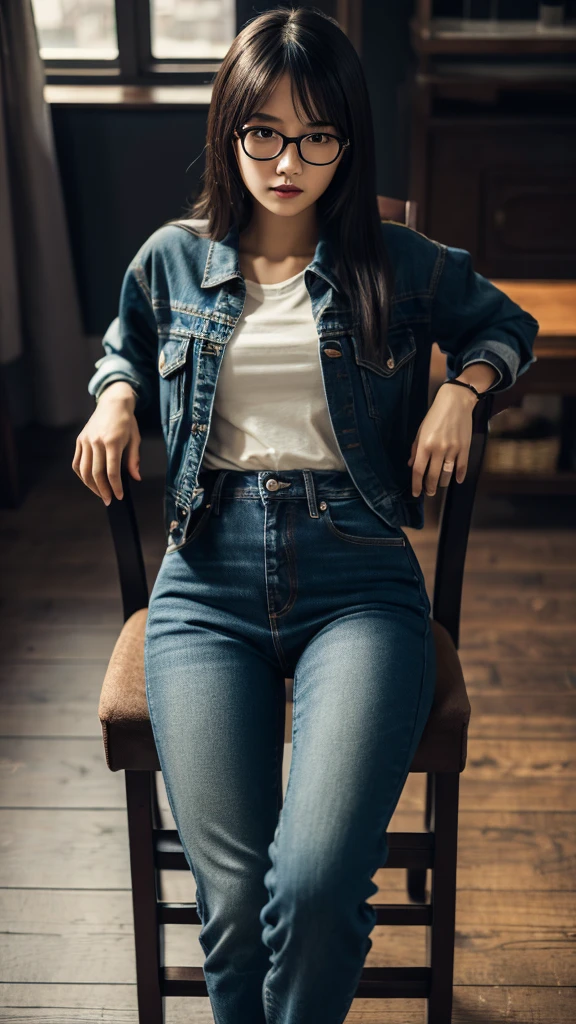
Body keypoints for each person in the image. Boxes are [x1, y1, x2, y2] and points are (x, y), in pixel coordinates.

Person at [72, 7, 539, 1023]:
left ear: (347, 140)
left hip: (359, 580)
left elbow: (507, 324)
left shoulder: (400, 262)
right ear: (231, 128)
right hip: (207, 582)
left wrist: (462, 389)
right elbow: (124, 339)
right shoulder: (171, 259)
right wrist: (115, 394)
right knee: (234, 902)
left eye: (318, 134)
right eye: (266, 132)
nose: (289, 161)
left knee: (317, 886)